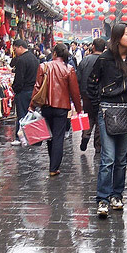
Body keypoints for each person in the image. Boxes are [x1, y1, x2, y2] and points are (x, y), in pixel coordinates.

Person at [88, 25, 127, 218]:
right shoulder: (105, 59)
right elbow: (91, 83)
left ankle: (117, 195)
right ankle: (102, 198)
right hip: (107, 110)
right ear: (117, 38)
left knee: (122, 158)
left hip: (126, 110)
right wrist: (97, 105)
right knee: (108, 157)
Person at [29, 42, 83, 176]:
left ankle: (52, 163)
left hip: (46, 106)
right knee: (59, 136)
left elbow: (37, 87)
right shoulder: (69, 69)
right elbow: (75, 92)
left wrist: (32, 105)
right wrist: (79, 109)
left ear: (54, 53)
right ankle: (54, 167)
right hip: (62, 108)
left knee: (49, 136)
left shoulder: (44, 66)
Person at [77, 37, 105, 153]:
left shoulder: (85, 60)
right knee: (99, 120)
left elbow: (78, 78)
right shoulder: (106, 60)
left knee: (88, 117)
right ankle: (98, 146)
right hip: (101, 95)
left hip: (86, 94)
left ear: (93, 47)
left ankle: (85, 136)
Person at [10, 39, 40, 146]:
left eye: (15, 49)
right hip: (33, 90)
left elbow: (19, 79)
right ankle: (32, 137)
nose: (15, 52)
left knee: (22, 115)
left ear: (20, 47)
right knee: (30, 114)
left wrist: (15, 89)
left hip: (23, 91)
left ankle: (20, 137)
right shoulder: (34, 58)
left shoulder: (22, 60)